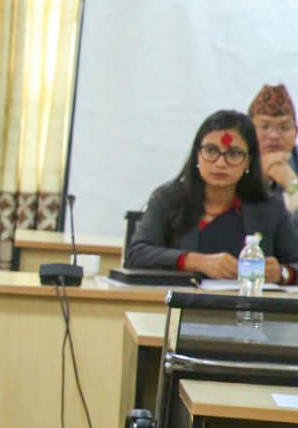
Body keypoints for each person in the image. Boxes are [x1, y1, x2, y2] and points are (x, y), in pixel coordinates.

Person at [127, 109, 298, 280]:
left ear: (249, 161)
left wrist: (283, 273)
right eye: (211, 151)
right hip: (180, 296)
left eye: (234, 154)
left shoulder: (270, 208)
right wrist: (195, 261)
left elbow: (293, 264)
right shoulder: (168, 199)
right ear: (197, 156)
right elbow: (136, 254)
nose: (221, 163)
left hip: (246, 297)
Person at [248, 83, 298, 216]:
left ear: (296, 133)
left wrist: (292, 183)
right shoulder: (233, 164)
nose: (274, 136)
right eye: (264, 127)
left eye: (284, 127)